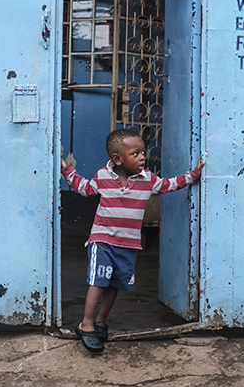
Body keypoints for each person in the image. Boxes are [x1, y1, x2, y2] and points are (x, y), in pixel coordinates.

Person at [60, 128, 204, 353]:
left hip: (128, 245)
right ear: (117, 159)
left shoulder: (148, 180)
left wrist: (194, 175)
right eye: (135, 153)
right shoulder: (103, 176)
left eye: (142, 152)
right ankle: (86, 324)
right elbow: (83, 188)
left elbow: (169, 184)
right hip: (102, 240)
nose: (142, 157)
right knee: (98, 281)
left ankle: (100, 321)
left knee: (115, 285)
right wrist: (65, 168)